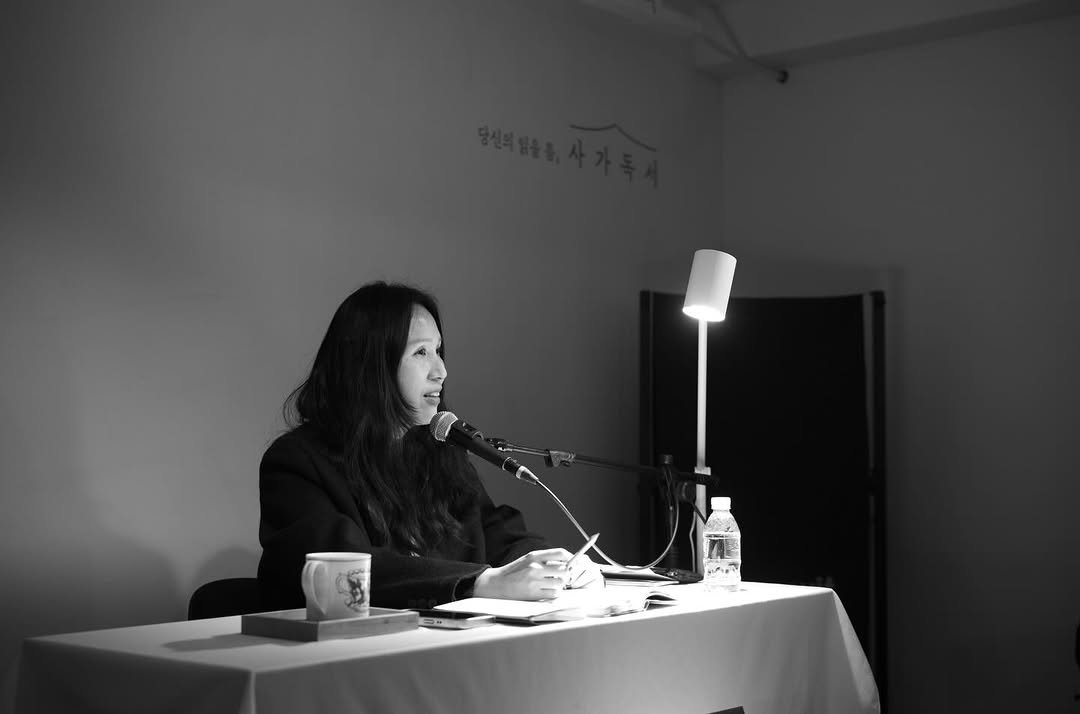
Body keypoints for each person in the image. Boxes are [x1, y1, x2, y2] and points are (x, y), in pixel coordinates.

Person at [257, 281, 601, 611]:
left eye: (438, 351)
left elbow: (496, 533)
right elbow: (347, 567)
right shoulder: (297, 462)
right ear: (370, 365)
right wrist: (477, 582)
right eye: (421, 352)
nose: (441, 371)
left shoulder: (439, 451)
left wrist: (558, 566)